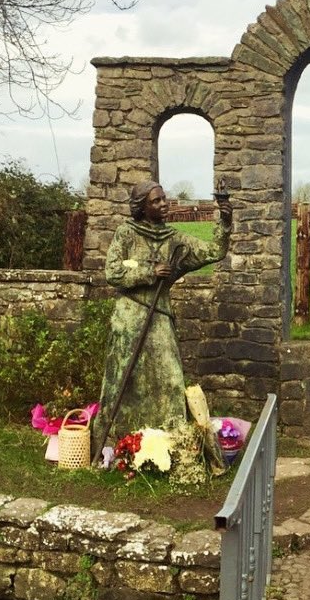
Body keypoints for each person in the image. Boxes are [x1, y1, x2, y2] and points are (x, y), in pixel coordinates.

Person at [91, 180, 233, 460]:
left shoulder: (174, 239)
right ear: (142, 207)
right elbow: (112, 272)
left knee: (170, 379)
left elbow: (214, 251)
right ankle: (119, 442)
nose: (164, 204)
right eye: (156, 201)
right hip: (129, 318)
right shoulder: (126, 233)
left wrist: (225, 222)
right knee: (123, 381)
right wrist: (149, 272)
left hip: (159, 318)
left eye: (164, 199)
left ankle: (169, 447)